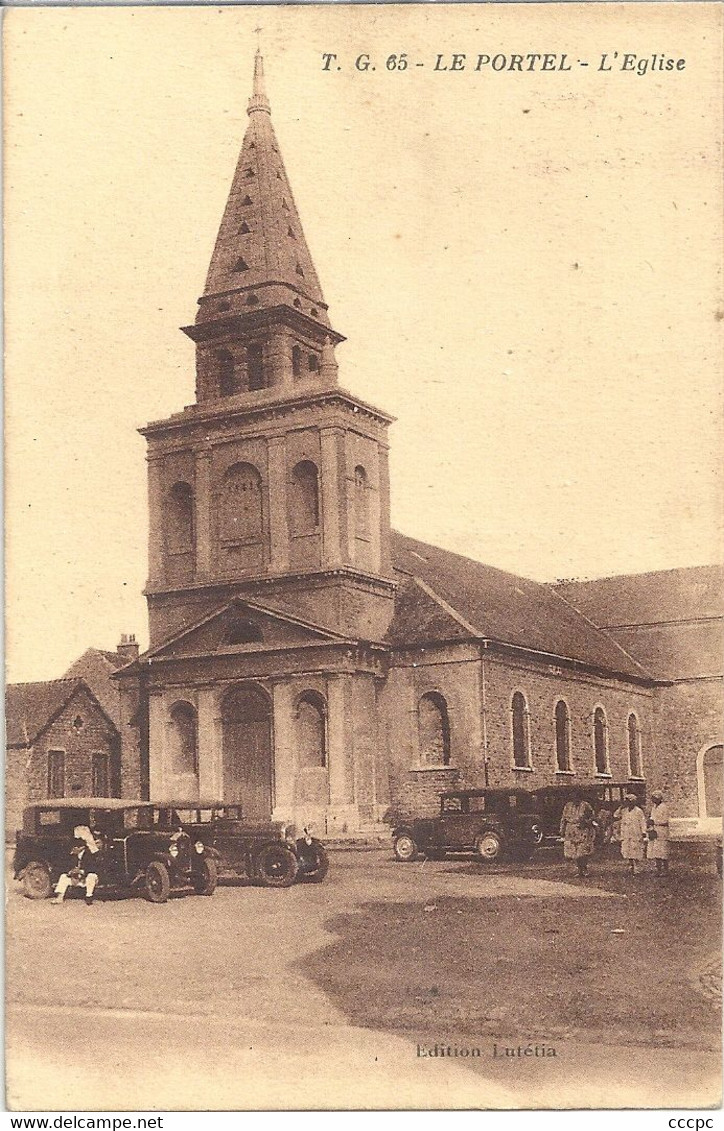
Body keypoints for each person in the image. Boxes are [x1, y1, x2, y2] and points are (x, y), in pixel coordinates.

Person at [52, 826, 101, 906]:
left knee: (91, 877)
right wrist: (71, 872)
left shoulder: (90, 854)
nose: (76, 848)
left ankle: (89, 896)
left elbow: (93, 868)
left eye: (78, 846)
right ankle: (60, 897)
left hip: (85, 878)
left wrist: (82, 872)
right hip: (76, 878)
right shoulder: (72, 855)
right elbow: (67, 866)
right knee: (63, 877)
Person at [560, 791, 596, 876]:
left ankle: (584, 868)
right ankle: (579, 870)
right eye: (573, 798)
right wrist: (562, 829)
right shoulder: (568, 806)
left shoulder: (586, 805)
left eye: (577, 798)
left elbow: (592, 816)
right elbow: (563, 818)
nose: (575, 799)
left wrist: (586, 822)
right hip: (571, 829)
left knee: (582, 850)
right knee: (574, 851)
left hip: (582, 829)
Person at [620, 793, 647, 874]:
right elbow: (615, 815)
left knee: (635, 849)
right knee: (628, 849)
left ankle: (636, 867)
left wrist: (643, 832)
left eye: (628, 801)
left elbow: (642, 822)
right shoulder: (624, 811)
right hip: (626, 832)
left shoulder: (638, 811)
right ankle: (631, 865)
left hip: (635, 832)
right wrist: (620, 807)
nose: (627, 803)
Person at [647, 790, 671, 875]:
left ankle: (665, 870)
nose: (653, 800)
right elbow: (652, 817)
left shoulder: (664, 807)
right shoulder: (654, 807)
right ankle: (658, 870)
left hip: (662, 831)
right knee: (656, 851)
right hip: (655, 830)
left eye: (654, 798)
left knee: (663, 852)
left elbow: (665, 821)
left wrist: (654, 822)